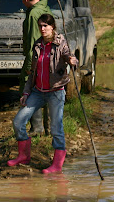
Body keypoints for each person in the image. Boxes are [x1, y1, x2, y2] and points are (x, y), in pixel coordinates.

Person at [9, 13, 78, 174]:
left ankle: (56, 166)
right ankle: (24, 156)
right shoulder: (38, 45)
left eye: (45, 26)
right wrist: (26, 93)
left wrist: (72, 60)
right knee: (18, 121)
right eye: (40, 26)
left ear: (52, 26)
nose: (42, 28)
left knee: (56, 128)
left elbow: (68, 55)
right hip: (37, 92)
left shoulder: (61, 42)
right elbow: (32, 73)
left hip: (56, 92)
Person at [20, 0, 52, 137]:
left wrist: (29, 66)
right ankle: (50, 129)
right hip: (49, 56)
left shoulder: (33, 14)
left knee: (32, 90)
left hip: (38, 57)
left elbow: (33, 40)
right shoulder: (46, 8)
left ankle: (37, 129)